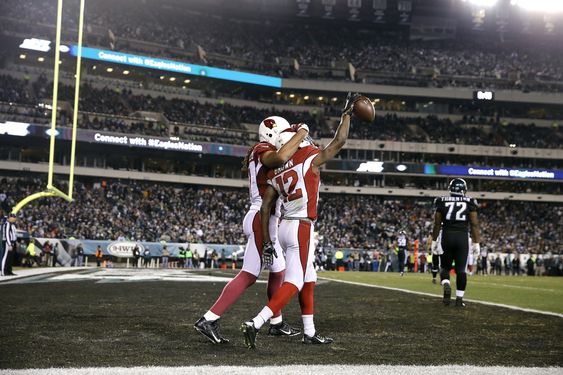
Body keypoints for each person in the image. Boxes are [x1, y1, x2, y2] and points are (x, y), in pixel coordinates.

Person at [241, 92, 359, 348]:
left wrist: (268, 239)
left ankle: (309, 331)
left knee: (309, 277)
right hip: (301, 226)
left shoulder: (276, 170)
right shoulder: (309, 158)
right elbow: (339, 142)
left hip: (283, 227)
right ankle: (257, 322)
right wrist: (346, 114)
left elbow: (266, 206)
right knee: (294, 280)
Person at [194, 115, 309, 344]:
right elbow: (281, 157)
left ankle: (276, 323)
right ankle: (209, 318)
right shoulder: (263, 149)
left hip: (266, 218)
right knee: (249, 274)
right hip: (261, 218)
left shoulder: (261, 150)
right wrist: (301, 133)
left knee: (279, 271)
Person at [431, 178, 480, 308]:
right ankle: (459, 300)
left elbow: (437, 224)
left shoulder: (441, 201)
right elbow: (474, 225)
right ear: (464, 189)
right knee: (461, 270)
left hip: (446, 236)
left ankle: (446, 283)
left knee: (445, 267)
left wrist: (434, 240)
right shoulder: (470, 202)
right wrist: (476, 243)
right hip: (462, 237)